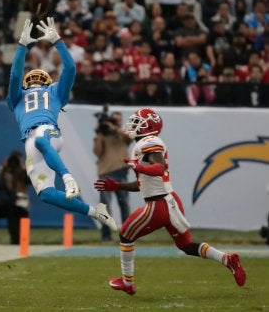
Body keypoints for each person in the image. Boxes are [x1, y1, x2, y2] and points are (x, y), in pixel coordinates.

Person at [94, 108, 246, 296]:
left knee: (125, 233)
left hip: (158, 205)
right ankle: (227, 259)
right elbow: (144, 183)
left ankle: (127, 283)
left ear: (147, 126)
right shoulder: (145, 144)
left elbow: (159, 167)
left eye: (136, 122)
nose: (131, 125)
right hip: (169, 201)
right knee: (186, 246)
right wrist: (118, 186)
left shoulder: (148, 142)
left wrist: (138, 166)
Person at [7, 17, 117, 230]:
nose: (35, 81)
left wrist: (58, 41)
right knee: (46, 194)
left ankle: (67, 177)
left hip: (48, 133)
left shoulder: (55, 91)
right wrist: (21, 47)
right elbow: (13, 76)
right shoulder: (17, 96)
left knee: (40, 140)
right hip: (30, 142)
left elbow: (70, 69)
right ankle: (96, 212)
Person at [93, 110, 132, 241]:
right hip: (106, 173)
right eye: (114, 120)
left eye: (118, 120)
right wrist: (99, 134)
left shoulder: (123, 133)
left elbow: (129, 138)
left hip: (121, 172)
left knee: (124, 204)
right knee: (105, 205)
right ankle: (106, 236)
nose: (117, 122)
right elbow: (97, 152)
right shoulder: (103, 134)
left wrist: (115, 128)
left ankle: (127, 235)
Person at [0, 150, 30, 245]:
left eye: (18, 160)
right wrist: (4, 169)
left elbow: (29, 181)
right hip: (4, 203)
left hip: (19, 205)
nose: (14, 163)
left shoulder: (23, 171)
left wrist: (22, 169)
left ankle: (17, 240)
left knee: (16, 232)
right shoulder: (3, 169)